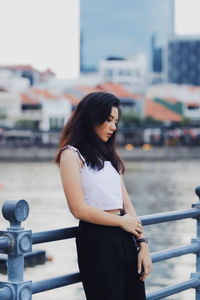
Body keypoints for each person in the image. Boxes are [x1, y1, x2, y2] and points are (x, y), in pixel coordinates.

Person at [55, 92, 152, 300]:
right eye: (108, 120)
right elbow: (78, 209)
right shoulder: (71, 155)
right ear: (91, 117)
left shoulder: (110, 157)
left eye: (116, 121)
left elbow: (127, 205)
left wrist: (143, 244)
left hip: (126, 237)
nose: (113, 127)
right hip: (97, 240)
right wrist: (121, 222)